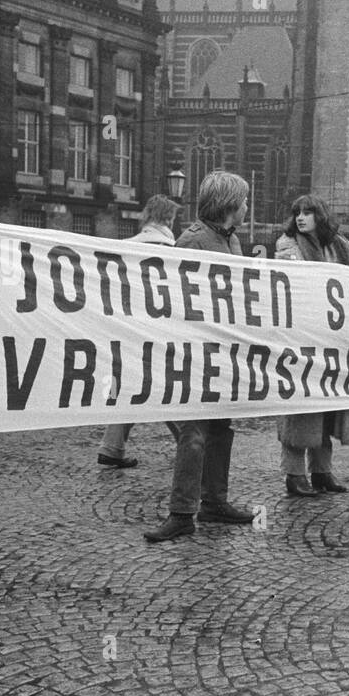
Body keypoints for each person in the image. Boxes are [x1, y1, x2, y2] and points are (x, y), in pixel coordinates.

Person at [143, 172, 256, 542]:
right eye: (242, 202)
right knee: (193, 434)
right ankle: (181, 512)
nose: (246, 207)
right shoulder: (191, 242)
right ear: (228, 205)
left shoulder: (232, 240)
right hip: (195, 353)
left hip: (224, 352)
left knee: (222, 429)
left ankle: (214, 502)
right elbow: (174, 300)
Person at [273, 195, 349, 497]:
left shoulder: (340, 246)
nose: (300, 217)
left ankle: (322, 471)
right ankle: (294, 474)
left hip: (334, 339)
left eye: (308, 212)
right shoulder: (288, 247)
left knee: (328, 406)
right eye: (297, 212)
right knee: (299, 408)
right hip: (303, 337)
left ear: (320, 216)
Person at [96, 194, 182, 469]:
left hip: (128, 328)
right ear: (169, 219)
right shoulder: (176, 250)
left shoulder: (124, 247)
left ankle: (112, 447)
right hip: (162, 330)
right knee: (167, 387)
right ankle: (189, 442)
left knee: (131, 386)